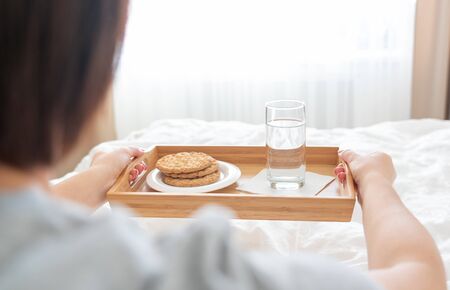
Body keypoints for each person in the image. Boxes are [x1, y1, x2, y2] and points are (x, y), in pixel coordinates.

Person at [0, 1, 446, 290]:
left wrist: (98, 177)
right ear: (87, 72)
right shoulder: (158, 272)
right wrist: (376, 180)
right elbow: (420, 279)